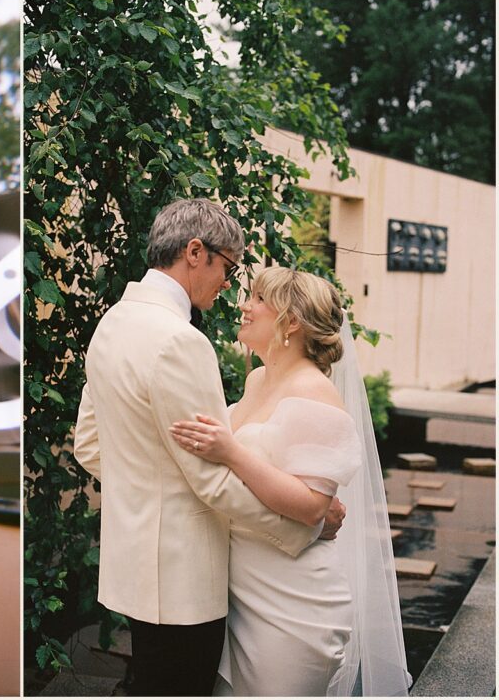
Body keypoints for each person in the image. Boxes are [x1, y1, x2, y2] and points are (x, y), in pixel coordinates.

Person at [73, 199, 345, 696]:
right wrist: (304, 523)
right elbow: (210, 480)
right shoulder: (181, 342)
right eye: (228, 267)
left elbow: (89, 444)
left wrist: (147, 496)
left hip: (136, 572)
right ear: (195, 252)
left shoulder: (111, 324)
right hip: (184, 582)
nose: (229, 284)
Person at [170, 267, 410, 696]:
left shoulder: (313, 391)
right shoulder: (256, 380)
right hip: (243, 590)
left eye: (258, 299)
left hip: (294, 605)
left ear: (291, 321)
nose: (244, 306)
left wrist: (230, 450)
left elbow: (313, 506)